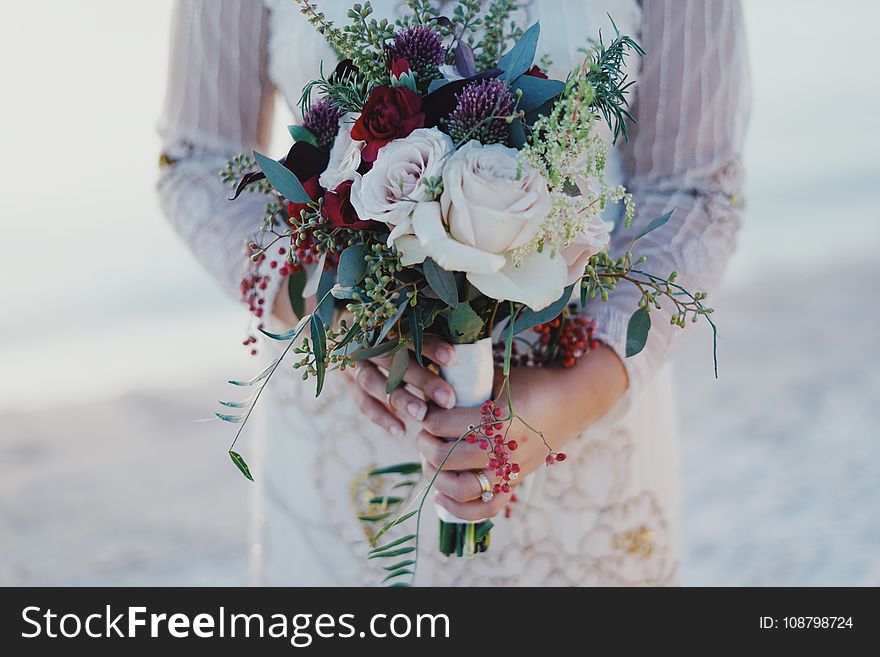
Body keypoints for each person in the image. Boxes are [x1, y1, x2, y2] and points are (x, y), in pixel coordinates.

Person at [158, 0, 749, 585]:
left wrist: (572, 396)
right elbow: (199, 161)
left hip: (581, 408)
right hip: (349, 420)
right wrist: (334, 319)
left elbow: (693, 190)